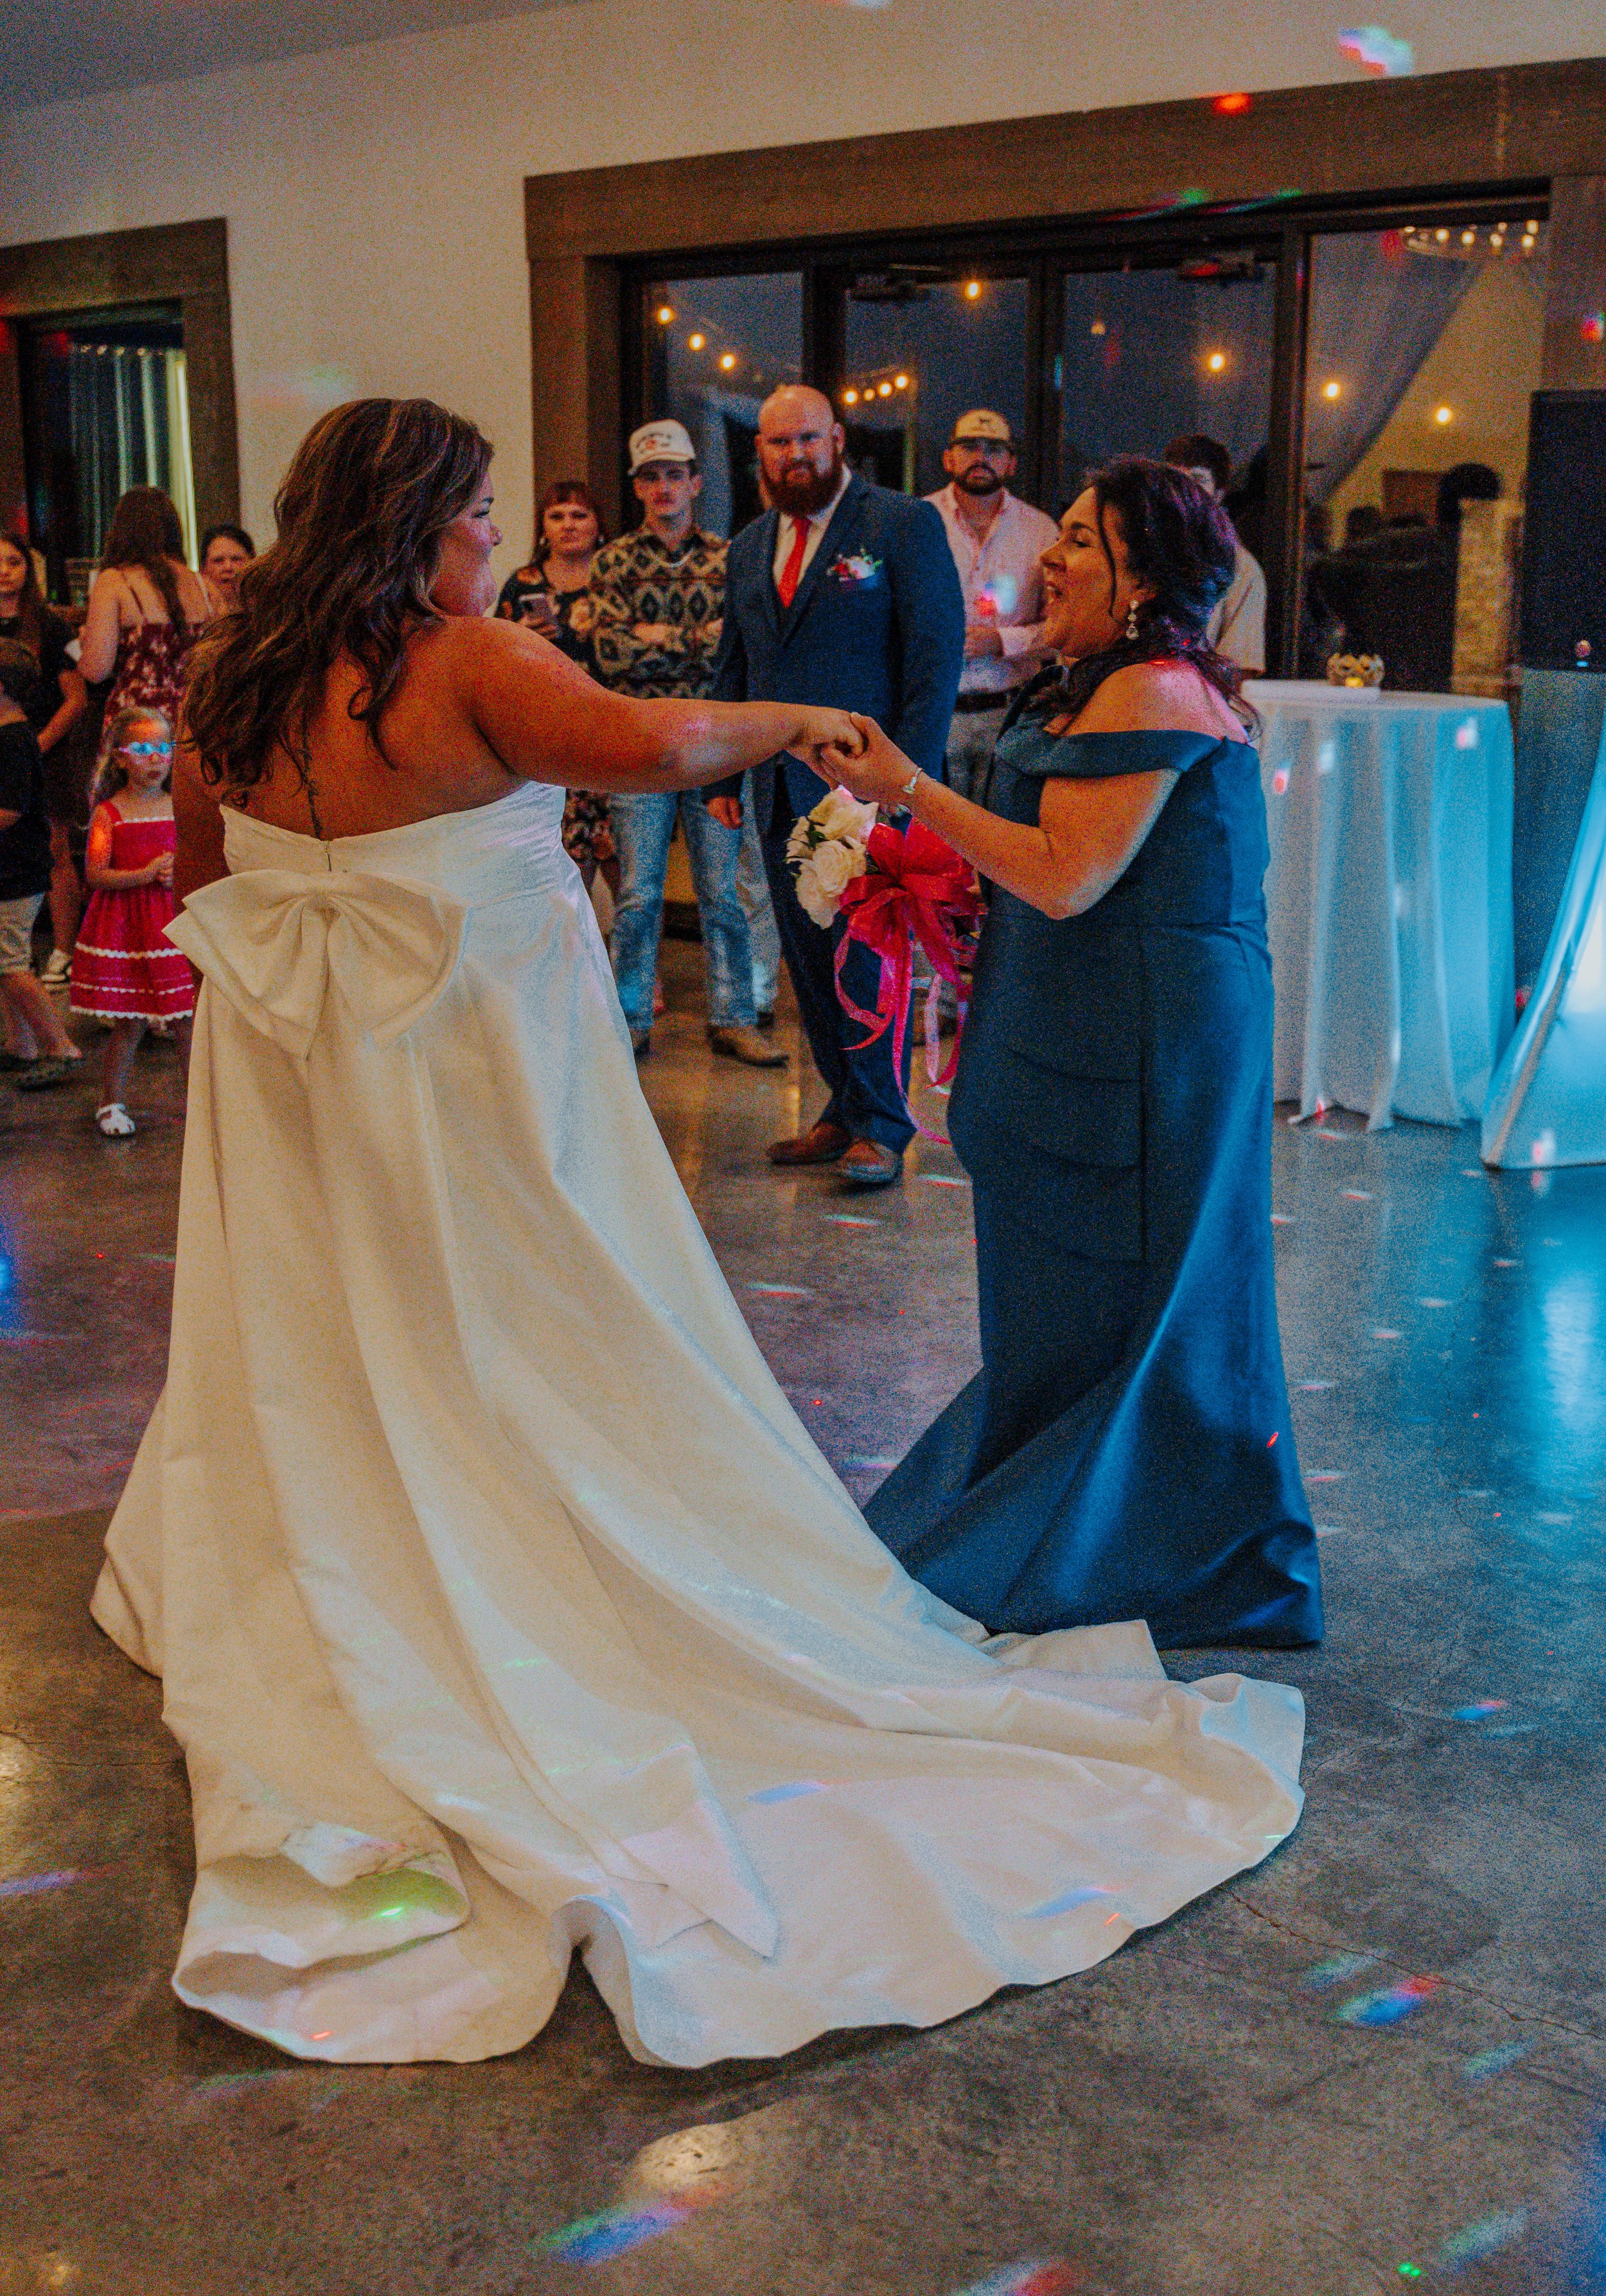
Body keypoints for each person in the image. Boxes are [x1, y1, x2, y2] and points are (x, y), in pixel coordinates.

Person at [87, 395, 1305, 2069]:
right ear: (428, 518)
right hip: (469, 1082)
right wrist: (803, 711)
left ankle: (375, 1542)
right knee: (528, 1330)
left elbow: (243, 875)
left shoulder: (248, 676)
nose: (497, 542)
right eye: (484, 512)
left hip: (310, 1093)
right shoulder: (459, 661)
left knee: (354, 1330)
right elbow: (649, 746)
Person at [820, 457, 1323, 1651]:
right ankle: (1056, 1505)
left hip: (1159, 1042)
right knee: (1068, 1305)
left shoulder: (1155, 689)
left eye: (1085, 542)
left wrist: (908, 790)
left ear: (1145, 580)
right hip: (1091, 1014)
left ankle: (1157, 1548)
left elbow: (1066, 872)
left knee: (1146, 1296)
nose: (1053, 555)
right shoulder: (1093, 679)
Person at [707, 385, 965, 1187]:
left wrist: (905, 782)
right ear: (761, 452)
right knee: (808, 962)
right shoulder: (749, 546)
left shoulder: (898, 524)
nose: (796, 456)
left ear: (839, 439)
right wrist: (720, 769)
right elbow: (737, 662)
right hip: (779, 792)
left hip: (868, 788)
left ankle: (883, 1126)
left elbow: (934, 658)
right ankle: (841, 1107)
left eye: (809, 440)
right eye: (780, 443)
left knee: (867, 960)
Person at [589, 423, 780, 1067]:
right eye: (651, 476)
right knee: (639, 895)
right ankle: (630, 1019)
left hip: (714, 746)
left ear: (695, 481)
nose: (663, 487)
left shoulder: (727, 557)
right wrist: (696, 640)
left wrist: (656, 638)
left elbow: (737, 650)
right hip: (638, 745)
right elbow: (611, 655)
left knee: (723, 894)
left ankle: (735, 1017)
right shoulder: (613, 560)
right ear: (637, 486)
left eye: (675, 474)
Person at [69, 705, 195, 1137]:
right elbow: (96, 873)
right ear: (121, 756)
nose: (157, 757)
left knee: (186, 1019)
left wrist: (180, 870)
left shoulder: (178, 806)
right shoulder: (110, 812)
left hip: (173, 925)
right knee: (131, 1021)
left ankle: (202, 1105)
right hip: (129, 929)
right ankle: (111, 1102)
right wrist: (144, 874)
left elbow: (194, 857)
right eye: (143, 749)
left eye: (164, 747)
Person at [495, 479, 619, 897]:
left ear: (598, 525)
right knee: (564, 864)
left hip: (613, 731)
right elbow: (497, 662)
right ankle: (576, 958)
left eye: (579, 515)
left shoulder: (618, 577)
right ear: (542, 527)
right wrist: (522, 637)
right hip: (549, 741)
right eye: (557, 515)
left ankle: (631, 962)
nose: (568, 524)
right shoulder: (523, 583)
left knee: (628, 867)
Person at [927, 410, 1057, 802]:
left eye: (994, 449)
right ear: (949, 458)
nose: (981, 457)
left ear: (1012, 463)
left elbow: (1061, 629)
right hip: (936, 714)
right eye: (969, 447)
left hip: (1010, 714)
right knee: (934, 846)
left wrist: (1001, 641)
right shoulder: (918, 521)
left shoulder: (1042, 532)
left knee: (1001, 839)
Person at [0, 532, 88, 987]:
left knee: (54, 851)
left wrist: (38, 743)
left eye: (14, 561)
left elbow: (76, 698)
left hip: (42, 749)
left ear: (27, 569)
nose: (5, 571)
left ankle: (62, 951)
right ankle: (14, 955)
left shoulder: (51, 625)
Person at [78, 487, 215, 753]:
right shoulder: (200, 583)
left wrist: (85, 644)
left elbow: (96, 670)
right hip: (194, 722)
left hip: (138, 727)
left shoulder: (114, 582)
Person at [0, 656, 82, 1088]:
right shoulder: (14, 736)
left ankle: (60, 1045)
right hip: (12, 871)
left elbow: (11, 811)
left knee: (8, 964)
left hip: (15, 871)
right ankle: (22, 1045)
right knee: (9, 958)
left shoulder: (13, 741)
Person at [1165, 434, 1267, 678]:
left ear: (1219, 494)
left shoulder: (1240, 568)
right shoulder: (1135, 551)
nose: (1185, 491)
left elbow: (1240, 668)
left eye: (1198, 481)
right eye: (1175, 479)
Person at [199, 525, 256, 612]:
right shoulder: (195, 615)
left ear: (253, 563)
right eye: (218, 560)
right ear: (203, 569)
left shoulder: (267, 611)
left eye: (236, 559)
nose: (228, 567)